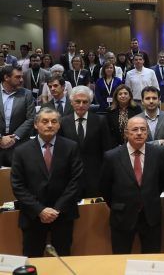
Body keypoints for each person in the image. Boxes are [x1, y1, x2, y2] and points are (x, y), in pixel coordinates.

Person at [10, 107, 83, 257]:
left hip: (62, 215)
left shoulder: (71, 147)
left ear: (59, 125)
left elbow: (76, 180)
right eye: (45, 121)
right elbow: (17, 185)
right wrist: (40, 210)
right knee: (33, 259)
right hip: (33, 216)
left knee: (63, 258)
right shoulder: (21, 151)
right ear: (36, 125)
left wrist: (57, 209)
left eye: (54, 121)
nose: (50, 125)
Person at [100, 116, 164, 254]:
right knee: (121, 258)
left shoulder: (158, 153)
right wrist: (118, 205)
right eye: (135, 129)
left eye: (143, 129)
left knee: (152, 260)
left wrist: (146, 198)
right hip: (122, 216)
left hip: (150, 216)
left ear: (147, 132)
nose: (139, 133)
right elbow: (105, 188)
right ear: (126, 133)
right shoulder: (112, 156)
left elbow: (161, 183)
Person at [59, 86, 111, 198]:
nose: (81, 105)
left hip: (95, 176)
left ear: (90, 103)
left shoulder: (100, 121)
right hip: (70, 177)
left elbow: (107, 149)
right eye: (77, 101)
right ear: (71, 102)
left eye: (85, 102)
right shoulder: (63, 122)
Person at [0, 65, 36, 166]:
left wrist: (14, 137)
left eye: (22, 77)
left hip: (19, 145)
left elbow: (31, 118)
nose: (21, 80)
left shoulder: (27, 94)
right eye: (17, 77)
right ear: (6, 77)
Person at [140, 86, 164, 154]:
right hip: (144, 161)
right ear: (142, 101)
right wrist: (159, 142)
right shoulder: (135, 120)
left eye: (154, 98)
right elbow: (135, 145)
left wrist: (146, 145)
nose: (151, 101)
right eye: (147, 98)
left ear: (159, 100)